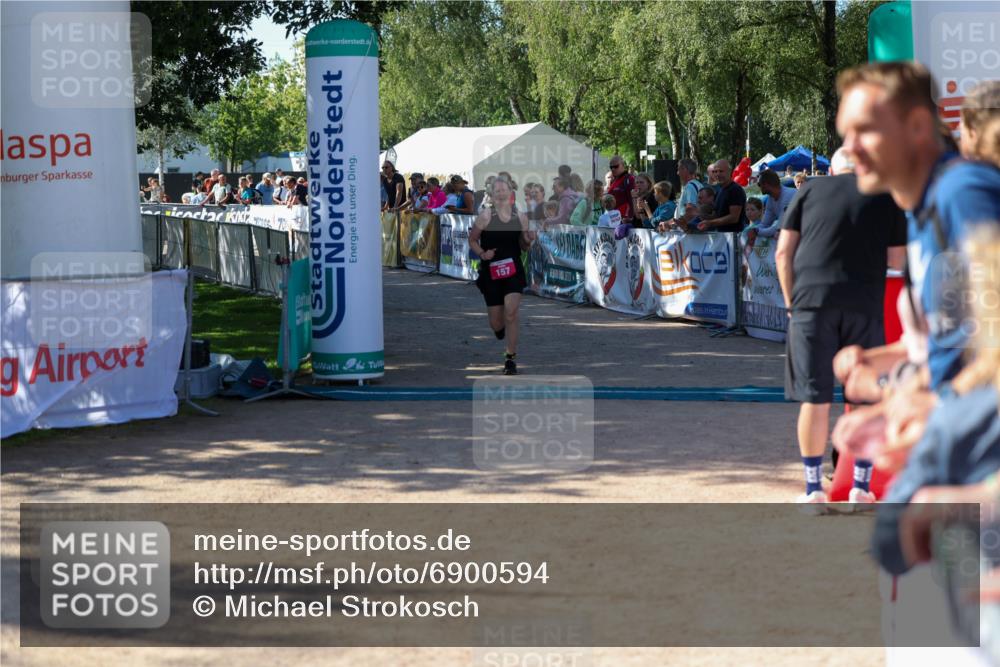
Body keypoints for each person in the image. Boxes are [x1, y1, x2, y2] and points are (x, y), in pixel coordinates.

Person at [831, 62, 1000, 465]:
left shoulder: (962, 193)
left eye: (865, 129)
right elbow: (958, 343)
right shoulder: (923, 210)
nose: (850, 147)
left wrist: (940, 406)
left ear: (919, 126)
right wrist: (894, 399)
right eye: (845, 133)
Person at [775, 147, 907, 505]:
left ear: (832, 169)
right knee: (864, 396)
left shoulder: (808, 190)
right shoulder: (885, 195)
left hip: (811, 303)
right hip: (864, 303)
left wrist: (790, 303)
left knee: (814, 398)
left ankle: (814, 489)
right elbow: (897, 259)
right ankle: (861, 488)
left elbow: (783, 253)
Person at [468, 176, 536, 375]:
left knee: (511, 313)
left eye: (503, 190)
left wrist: (528, 240)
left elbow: (524, 246)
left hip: (513, 271)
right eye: (496, 191)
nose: (500, 194)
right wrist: (483, 253)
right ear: (491, 194)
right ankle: (500, 331)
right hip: (491, 273)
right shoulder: (485, 216)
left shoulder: (520, 217)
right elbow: (472, 240)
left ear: (510, 192)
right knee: (497, 323)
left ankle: (510, 358)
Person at [698, 159, 747, 233]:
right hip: (721, 236)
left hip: (733, 236)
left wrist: (710, 223)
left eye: (721, 171)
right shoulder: (720, 191)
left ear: (729, 172)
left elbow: (734, 217)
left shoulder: (735, 190)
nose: (718, 174)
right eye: (715, 171)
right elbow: (716, 215)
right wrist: (701, 215)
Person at [756, 169, 798, 238]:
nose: (759, 187)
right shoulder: (771, 199)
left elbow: (779, 227)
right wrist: (752, 230)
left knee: (777, 235)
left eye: (759, 184)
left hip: (807, 235)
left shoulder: (788, 195)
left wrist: (756, 231)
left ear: (767, 184)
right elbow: (764, 224)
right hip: (796, 234)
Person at [672, 158, 704, 225]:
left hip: (687, 228)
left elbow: (690, 211)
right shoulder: (698, 184)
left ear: (685, 169)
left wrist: (673, 224)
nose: (677, 173)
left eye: (679, 169)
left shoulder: (690, 187)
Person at [606, 155, 635, 222]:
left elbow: (632, 199)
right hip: (613, 217)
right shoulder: (614, 180)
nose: (613, 169)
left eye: (616, 166)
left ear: (623, 165)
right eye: (611, 167)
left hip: (623, 218)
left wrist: (630, 217)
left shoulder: (629, 179)